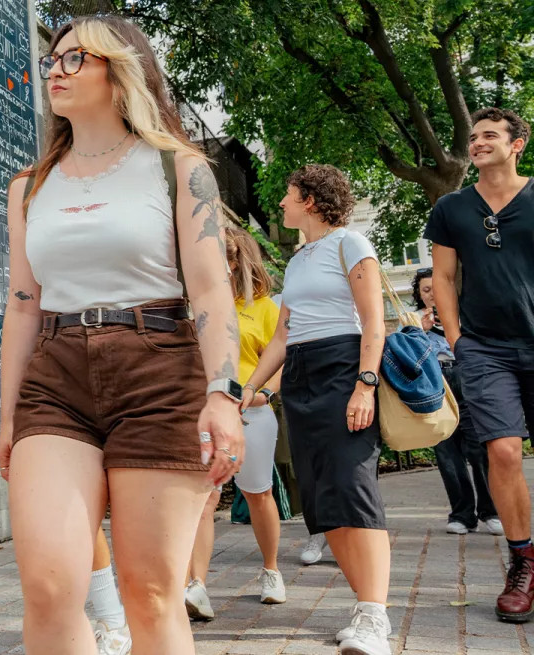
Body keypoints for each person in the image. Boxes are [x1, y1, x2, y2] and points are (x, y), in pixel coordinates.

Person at [0, 15, 244, 654]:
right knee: (50, 588)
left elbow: (213, 289)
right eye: (53, 57)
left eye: (76, 58)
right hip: (54, 378)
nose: (55, 67)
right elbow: (23, 306)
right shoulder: (29, 187)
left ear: (121, 69)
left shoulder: (178, 169)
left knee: (153, 594)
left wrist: (224, 393)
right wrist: (8, 417)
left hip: (159, 369)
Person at [241, 164, 392, 654]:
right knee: (325, 499)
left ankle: (375, 619)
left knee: (353, 486)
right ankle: (365, 607)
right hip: (302, 375)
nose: (280, 204)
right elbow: (284, 335)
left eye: (286, 196)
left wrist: (365, 385)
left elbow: (374, 321)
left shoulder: (352, 244)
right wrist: (251, 386)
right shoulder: (302, 258)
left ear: (309, 200)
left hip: (344, 365)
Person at [425, 106, 534, 623]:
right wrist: (458, 339)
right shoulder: (451, 208)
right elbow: (443, 278)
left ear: (518, 144)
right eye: (473, 137)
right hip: (484, 349)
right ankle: (523, 564)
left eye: (489, 135)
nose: (477, 142)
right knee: (503, 451)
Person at [184, 228, 286, 620]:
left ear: (235, 261)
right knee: (205, 497)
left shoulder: (263, 307)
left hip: (253, 413)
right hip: (206, 412)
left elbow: (279, 359)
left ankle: (272, 570)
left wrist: (266, 393)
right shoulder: (196, 304)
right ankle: (197, 586)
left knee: (258, 493)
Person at [412, 267, 501, 536]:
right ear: (419, 294)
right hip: (436, 385)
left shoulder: (465, 314)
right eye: (425, 290)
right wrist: (419, 329)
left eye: (435, 289)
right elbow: (402, 350)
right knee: (447, 454)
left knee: (480, 450)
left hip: (469, 380)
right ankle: (462, 515)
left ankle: (490, 511)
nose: (431, 295)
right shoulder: (414, 320)